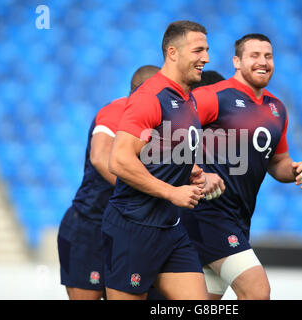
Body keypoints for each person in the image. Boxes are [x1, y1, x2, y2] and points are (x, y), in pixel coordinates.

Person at [181, 33, 302, 300]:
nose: (263, 62)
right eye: (254, 55)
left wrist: (296, 169)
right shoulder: (212, 96)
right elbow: (171, 137)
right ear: (237, 62)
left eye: (268, 56)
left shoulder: (276, 109)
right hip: (208, 212)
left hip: (239, 217)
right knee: (257, 290)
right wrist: (198, 172)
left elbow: (278, 162)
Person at [101, 20, 211, 300]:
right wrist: (171, 191)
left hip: (171, 230)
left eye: (207, 50)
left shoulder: (188, 99)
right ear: (172, 52)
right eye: (198, 50)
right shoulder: (150, 97)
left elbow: (160, 152)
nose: (206, 59)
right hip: (133, 228)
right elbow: (119, 160)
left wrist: (189, 171)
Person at [57, 65, 160, 300]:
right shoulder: (119, 110)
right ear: (144, 92)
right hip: (90, 226)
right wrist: (152, 190)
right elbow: (100, 157)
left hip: (133, 230)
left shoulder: (162, 121)